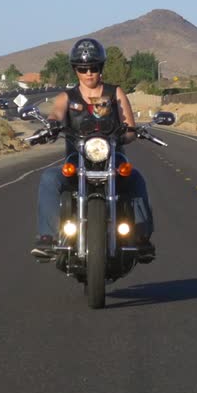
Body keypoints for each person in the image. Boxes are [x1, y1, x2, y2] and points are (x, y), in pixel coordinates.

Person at [31, 38, 156, 263]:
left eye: (94, 67)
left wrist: (129, 132)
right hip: (77, 160)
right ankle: (47, 238)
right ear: (75, 70)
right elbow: (57, 113)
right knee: (49, 178)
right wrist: (50, 126)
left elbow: (130, 127)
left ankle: (142, 238)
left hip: (113, 160)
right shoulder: (66, 97)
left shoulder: (115, 93)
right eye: (83, 68)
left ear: (101, 67)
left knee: (136, 178)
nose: (89, 73)